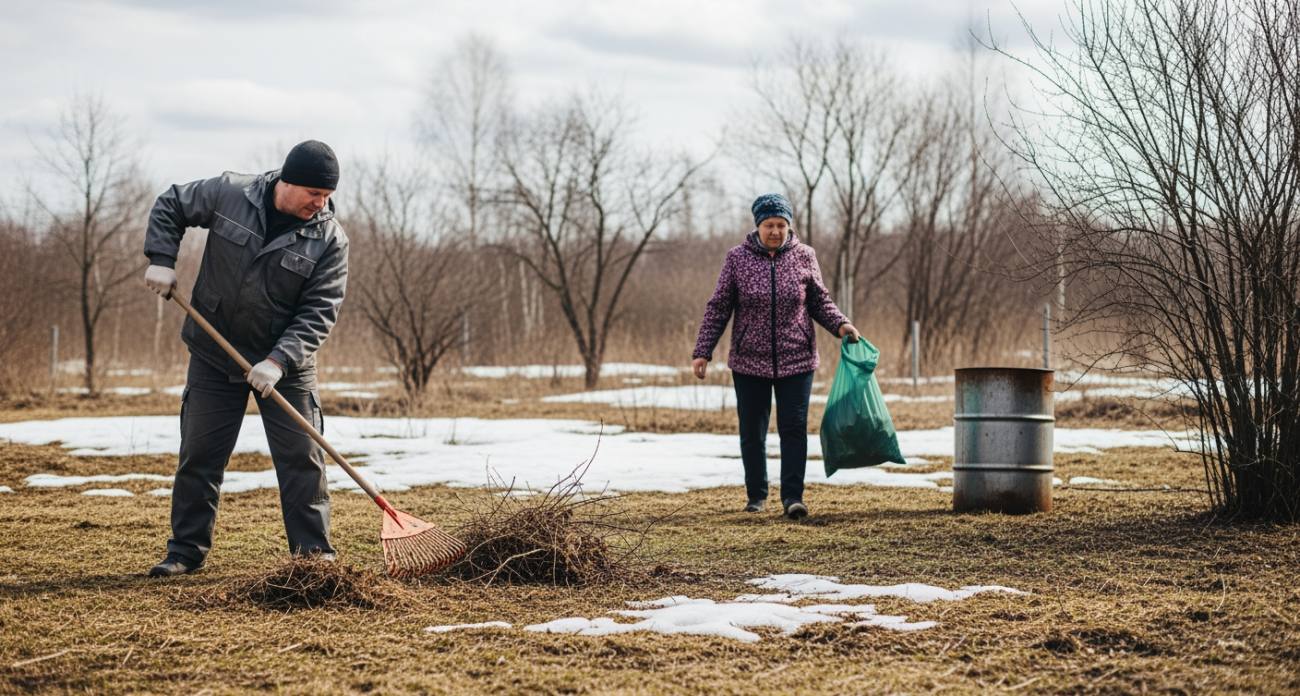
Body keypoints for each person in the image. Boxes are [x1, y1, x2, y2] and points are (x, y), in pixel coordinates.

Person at [141, 140, 350, 576]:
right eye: (315, 193)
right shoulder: (230, 193)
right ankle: (185, 551)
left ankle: (314, 557)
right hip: (215, 354)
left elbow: (319, 312)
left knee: (302, 457)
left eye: (327, 196)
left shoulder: (328, 239)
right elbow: (171, 205)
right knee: (199, 454)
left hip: (285, 367)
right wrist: (162, 258)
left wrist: (279, 360)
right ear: (288, 181)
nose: (321, 203)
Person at [692, 193, 859, 520]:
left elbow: (819, 302)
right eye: (769, 224)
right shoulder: (737, 259)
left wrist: (841, 324)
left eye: (781, 225)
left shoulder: (805, 256)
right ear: (758, 226)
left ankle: (792, 497)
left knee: (794, 427)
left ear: (789, 226)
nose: (775, 231)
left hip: (796, 358)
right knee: (752, 430)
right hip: (748, 360)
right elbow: (719, 307)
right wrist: (703, 351)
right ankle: (757, 495)